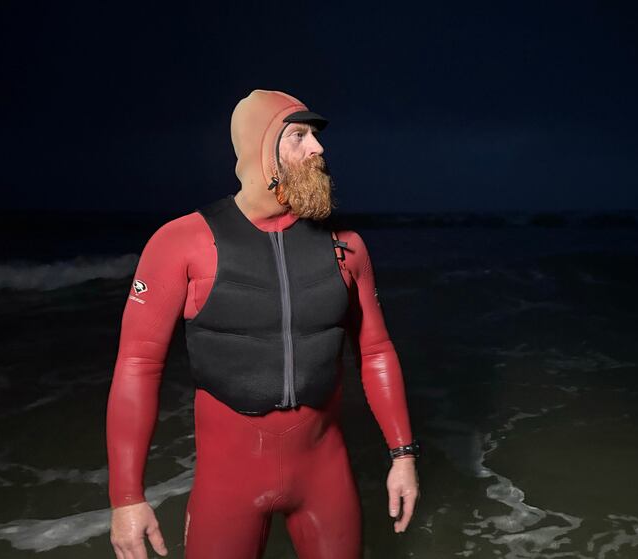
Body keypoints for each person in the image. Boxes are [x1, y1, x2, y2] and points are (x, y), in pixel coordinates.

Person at [106, 89, 420, 559]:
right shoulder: (181, 242)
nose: (317, 149)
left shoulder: (346, 246)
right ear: (261, 150)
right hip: (227, 485)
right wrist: (126, 499)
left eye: (315, 137)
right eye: (298, 136)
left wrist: (403, 456)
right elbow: (137, 365)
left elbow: (375, 350)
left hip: (324, 476)